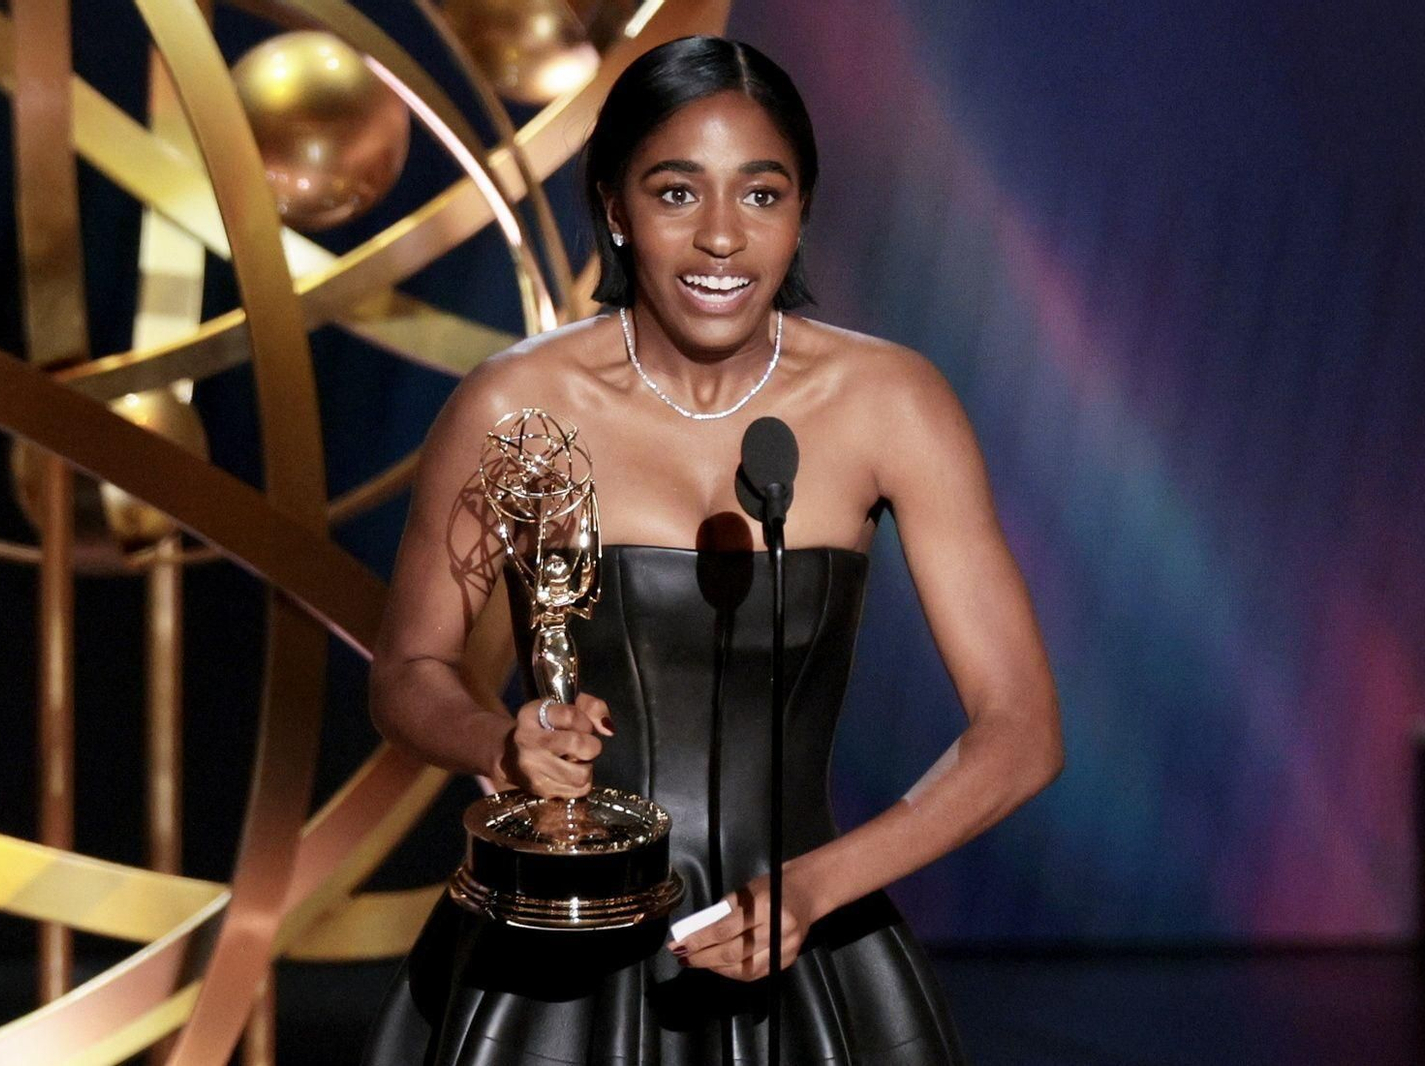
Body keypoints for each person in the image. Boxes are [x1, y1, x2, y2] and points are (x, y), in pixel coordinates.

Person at [362, 34, 1062, 1066]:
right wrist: (499, 745)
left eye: (761, 195)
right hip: (556, 953)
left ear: (802, 209)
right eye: (678, 193)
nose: (723, 237)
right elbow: (407, 672)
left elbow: (1021, 732)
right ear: (615, 207)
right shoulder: (513, 406)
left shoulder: (891, 403)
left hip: (805, 941)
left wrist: (817, 886)